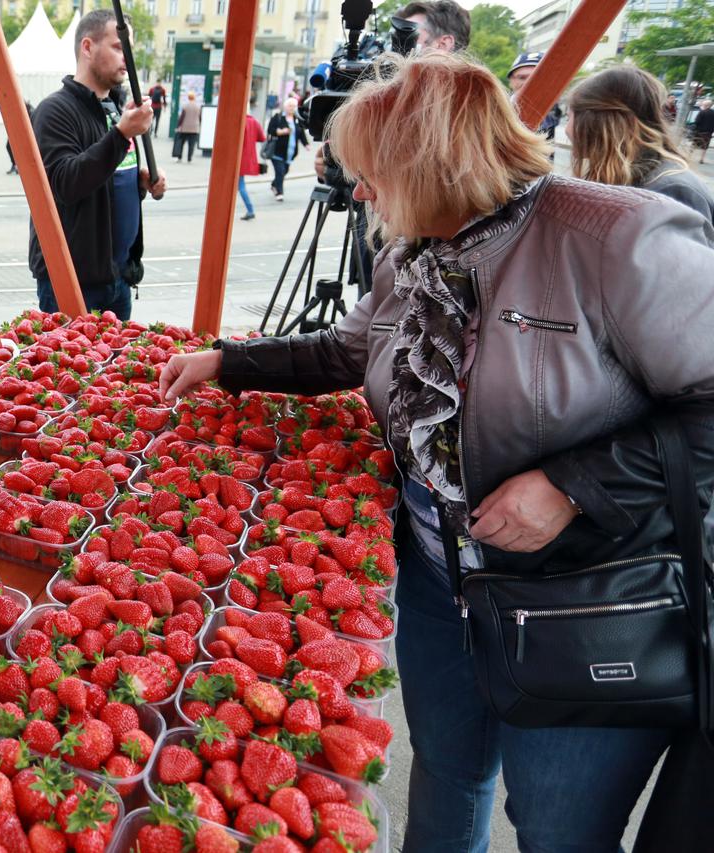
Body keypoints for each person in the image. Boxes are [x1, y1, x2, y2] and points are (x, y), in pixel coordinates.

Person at [158, 52, 714, 852]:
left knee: (558, 826)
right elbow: (345, 353)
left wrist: (573, 485)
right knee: (449, 773)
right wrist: (229, 362)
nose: (357, 191)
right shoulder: (409, 252)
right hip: (438, 581)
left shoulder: (610, 236)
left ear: (430, 162)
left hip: (585, 597)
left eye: (370, 170)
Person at [28, 9, 167, 321]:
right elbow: (64, 184)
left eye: (129, 49)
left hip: (117, 277)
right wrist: (121, 135)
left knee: (118, 366)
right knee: (73, 367)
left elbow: (106, 175)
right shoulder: (55, 111)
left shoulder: (116, 108)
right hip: (73, 280)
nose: (126, 59)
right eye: (119, 47)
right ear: (87, 47)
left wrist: (139, 183)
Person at [568, 65, 714, 223]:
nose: (567, 128)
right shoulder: (633, 176)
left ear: (604, 124)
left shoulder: (669, 191)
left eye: (570, 117)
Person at [507, 51, 561, 141]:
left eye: (537, 77)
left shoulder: (551, 111)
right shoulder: (495, 109)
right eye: (522, 77)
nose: (528, 83)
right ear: (511, 81)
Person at [265, 96, 309, 201]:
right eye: (290, 106)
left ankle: (274, 184)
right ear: (285, 107)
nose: (292, 108)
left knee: (285, 171)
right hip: (277, 151)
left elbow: (301, 133)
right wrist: (280, 131)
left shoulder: (297, 119)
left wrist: (306, 144)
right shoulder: (278, 117)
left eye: (294, 106)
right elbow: (270, 130)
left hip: (290, 153)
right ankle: (279, 193)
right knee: (280, 172)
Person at [237, 95, 266, 221]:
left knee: (240, 186)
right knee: (240, 184)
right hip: (248, 158)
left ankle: (250, 210)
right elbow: (262, 138)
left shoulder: (238, 122)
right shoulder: (253, 121)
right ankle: (249, 210)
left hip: (238, 159)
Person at [173, 91, 201, 162]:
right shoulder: (198, 107)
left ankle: (180, 157)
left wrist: (178, 126)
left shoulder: (185, 106)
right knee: (191, 144)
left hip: (185, 128)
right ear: (194, 98)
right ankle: (189, 158)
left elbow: (181, 117)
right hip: (194, 128)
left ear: (188, 97)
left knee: (181, 143)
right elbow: (200, 118)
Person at [692, 99, 714, 164]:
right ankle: (701, 159)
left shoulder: (702, 112)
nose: (702, 105)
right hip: (708, 133)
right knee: (705, 146)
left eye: (703, 104)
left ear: (706, 105)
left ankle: (689, 156)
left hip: (699, 132)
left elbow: (697, 121)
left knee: (694, 144)